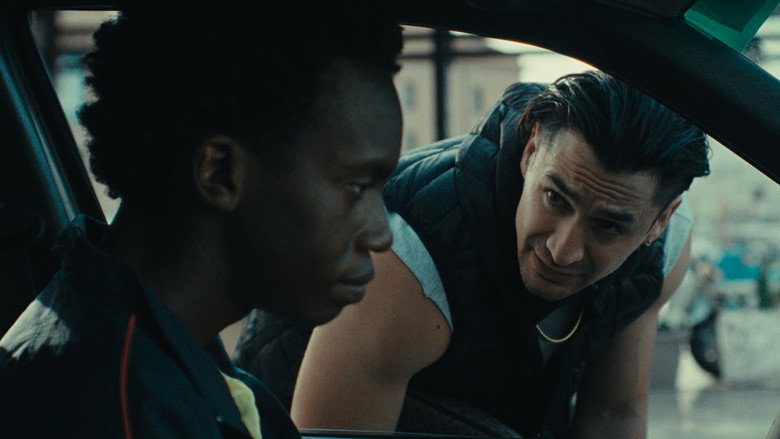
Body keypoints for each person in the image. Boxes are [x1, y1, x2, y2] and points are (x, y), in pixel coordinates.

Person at [0, 2, 402, 438]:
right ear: (221, 173)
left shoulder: (173, 364)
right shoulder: (117, 408)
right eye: (357, 187)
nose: (380, 235)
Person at [234, 72, 711, 439]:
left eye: (608, 226)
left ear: (660, 219)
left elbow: (612, 414)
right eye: (555, 199)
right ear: (530, 152)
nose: (562, 249)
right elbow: (330, 437)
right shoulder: (408, 261)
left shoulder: (664, 248)